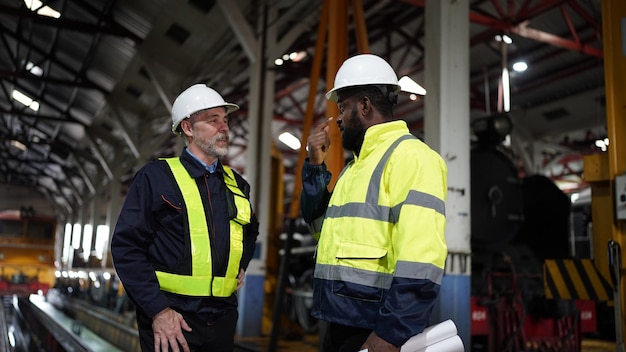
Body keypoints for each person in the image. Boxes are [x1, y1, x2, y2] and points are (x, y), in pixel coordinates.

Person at [300, 54, 448, 352]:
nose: (338, 119)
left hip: (375, 329)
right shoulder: (354, 168)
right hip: (340, 322)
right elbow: (321, 229)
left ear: (365, 105)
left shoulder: (412, 158)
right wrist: (315, 167)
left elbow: (421, 260)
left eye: (342, 108)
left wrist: (391, 333)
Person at [111, 84, 259, 352]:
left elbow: (250, 230)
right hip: (173, 321)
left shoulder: (237, 184)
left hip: (223, 319)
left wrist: (240, 265)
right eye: (212, 120)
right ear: (188, 129)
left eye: (225, 119)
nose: (223, 127)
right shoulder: (156, 178)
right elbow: (126, 247)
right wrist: (158, 310)